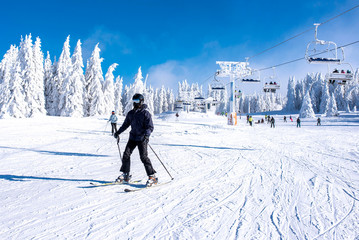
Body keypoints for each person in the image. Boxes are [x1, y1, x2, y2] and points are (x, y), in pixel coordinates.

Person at [113, 93, 157, 186]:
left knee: (143, 157)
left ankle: (152, 176)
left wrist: (147, 135)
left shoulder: (145, 113)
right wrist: (118, 132)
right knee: (126, 154)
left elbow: (150, 127)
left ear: (141, 101)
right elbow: (125, 125)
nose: (135, 103)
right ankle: (126, 174)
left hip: (142, 138)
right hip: (132, 137)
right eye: (134, 101)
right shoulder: (131, 113)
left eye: (136, 101)